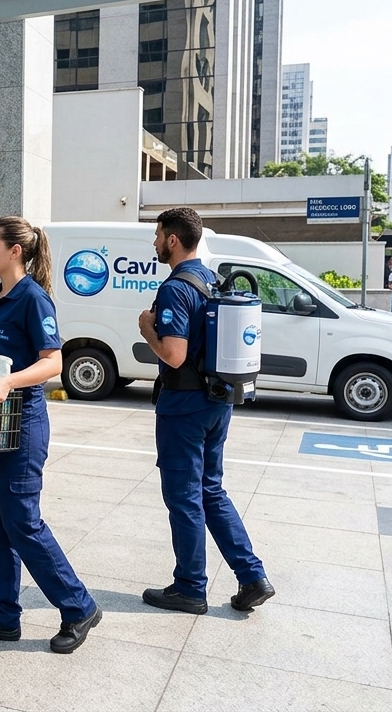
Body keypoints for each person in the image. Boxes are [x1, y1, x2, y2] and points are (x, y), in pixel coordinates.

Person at [0, 216, 101, 655]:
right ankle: (3, 615)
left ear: (14, 251)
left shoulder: (34, 300)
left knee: (23, 522)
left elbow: (53, 363)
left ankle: (79, 606)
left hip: (23, 425)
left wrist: (9, 381)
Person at [136, 207, 273, 616]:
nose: (155, 242)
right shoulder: (211, 279)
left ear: (173, 240)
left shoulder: (177, 288)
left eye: (158, 235)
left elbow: (174, 355)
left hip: (184, 409)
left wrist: (147, 331)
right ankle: (252, 576)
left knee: (184, 498)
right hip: (217, 402)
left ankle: (190, 588)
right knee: (210, 490)